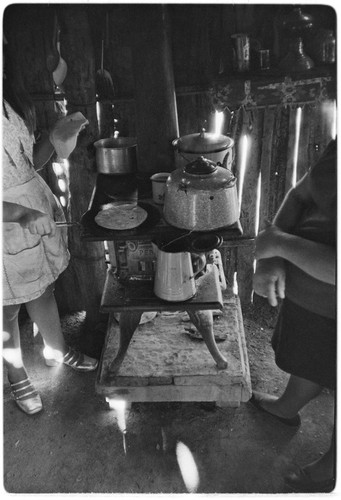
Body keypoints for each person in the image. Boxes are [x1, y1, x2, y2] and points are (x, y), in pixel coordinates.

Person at [2, 36, 98, 416]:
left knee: (42, 289)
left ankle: (56, 349)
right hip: (7, 218)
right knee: (5, 308)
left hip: (32, 205)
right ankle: (15, 375)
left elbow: (29, 164)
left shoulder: (12, 100)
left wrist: (58, 138)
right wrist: (22, 215)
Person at [252, 138, 336, 493]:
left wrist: (280, 245)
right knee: (311, 354)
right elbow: (302, 194)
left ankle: (332, 468)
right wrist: (273, 254)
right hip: (311, 295)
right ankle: (288, 406)